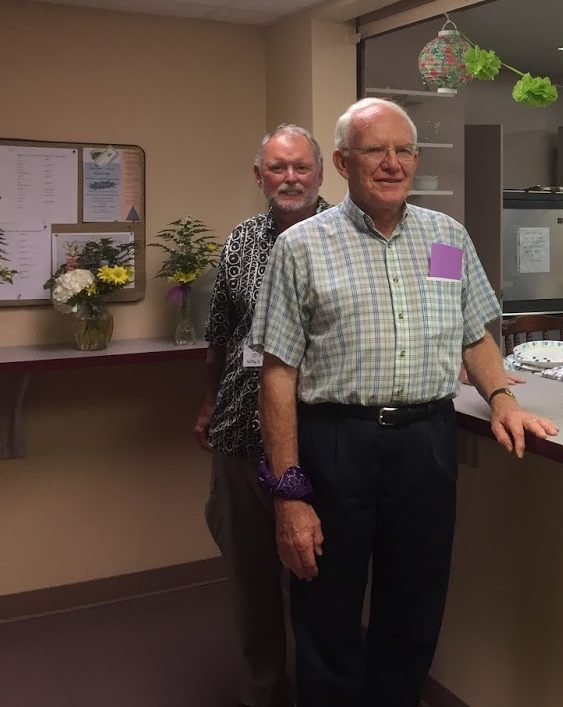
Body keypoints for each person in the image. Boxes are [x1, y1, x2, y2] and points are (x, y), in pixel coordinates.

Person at [250, 97, 558, 706]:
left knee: (415, 605)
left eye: (404, 150)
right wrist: (289, 491)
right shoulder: (302, 247)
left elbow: (473, 331)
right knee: (327, 606)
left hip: (426, 443)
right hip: (336, 442)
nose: (392, 163)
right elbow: (278, 374)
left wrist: (501, 397)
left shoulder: (445, 240)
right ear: (342, 162)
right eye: (375, 150)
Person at [195, 123, 330, 707]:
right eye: (278, 168)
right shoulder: (241, 242)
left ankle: (324, 687)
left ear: (321, 173)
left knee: (319, 575)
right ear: (259, 176)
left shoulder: (343, 235)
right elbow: (221, 336)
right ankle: (264, 689)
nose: (290, 178)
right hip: (240, 430)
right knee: (250, 578)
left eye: (301, 166)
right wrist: (208, 400)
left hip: (318, 438)